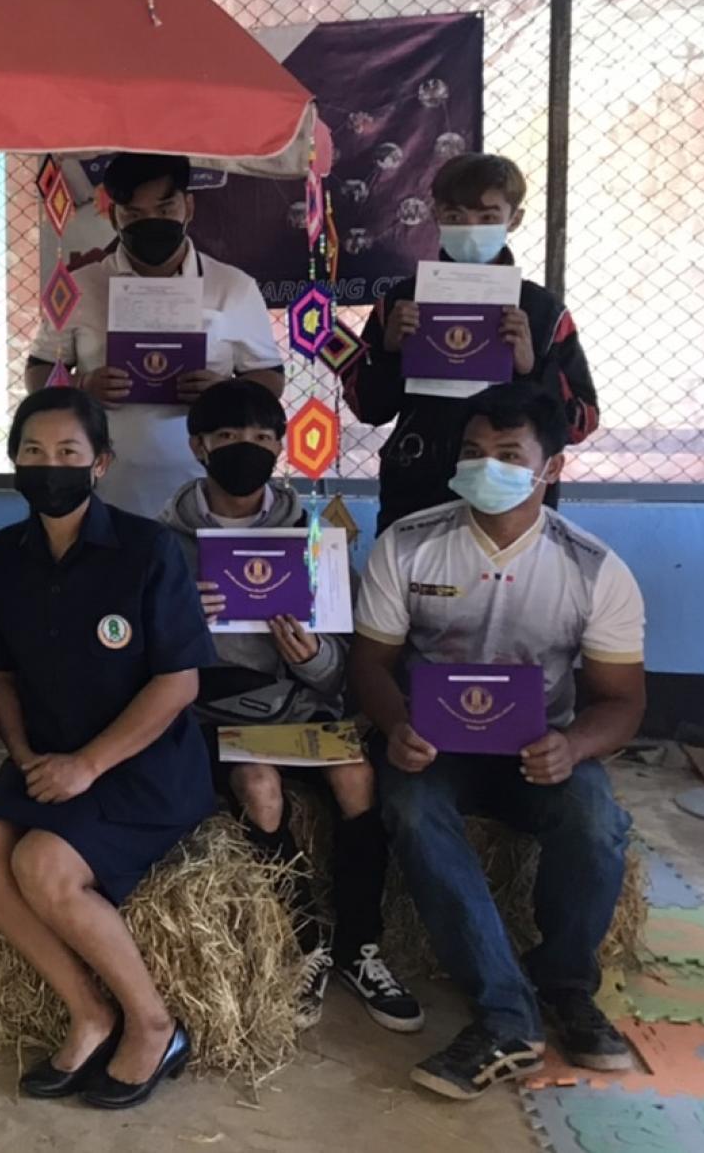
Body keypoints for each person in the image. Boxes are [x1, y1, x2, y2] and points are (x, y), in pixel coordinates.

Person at [349, 384, 645, 1101]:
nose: (488, 467)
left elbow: (624, 702)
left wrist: (573, 746)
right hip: (433, 750)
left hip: (539, 752)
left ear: (551, 468)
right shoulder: (408, 544)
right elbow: (369, 666)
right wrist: (396, 724)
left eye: (510, 455)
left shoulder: (593, 568)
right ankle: (506, 1014)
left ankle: (566, 985)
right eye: (474, 452)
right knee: (411, 809)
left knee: (596, 818)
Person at [0, 388, 212, 1110]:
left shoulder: (148, 550)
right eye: (33, 451)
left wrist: (88, 764)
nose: (50, 465)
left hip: (142, 768)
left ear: (100, 463)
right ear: (14, 462)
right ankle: (90, 1012)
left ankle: (155, 1025)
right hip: (48, 761)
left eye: (68, 452)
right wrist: (21, 753)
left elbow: (180, 681)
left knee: (42, 863)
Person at [161, 380, 420, 1033]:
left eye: (260, 437)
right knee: (260, 788)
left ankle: (361, 946)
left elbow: (341, 670)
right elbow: (143, 659)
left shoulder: (313, 537)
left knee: (357, 775)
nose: (244, 449)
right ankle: (306, 939)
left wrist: (309, 655)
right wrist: (182, 626)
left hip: (297, 706)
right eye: (226, 437)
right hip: (209, 714)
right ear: (198, 446)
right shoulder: (162, 544)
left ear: (280, 445)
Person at [344, 153, 598, 528]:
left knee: (507, 568)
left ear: (514, 219)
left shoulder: (543, 312)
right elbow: (368, 409)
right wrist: (391, 353)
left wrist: (532, 369)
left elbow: (580, 425)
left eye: (487, 218)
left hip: (512, 493)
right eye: (455, 216)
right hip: (417, 483)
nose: (470, 228)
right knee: (406, 566)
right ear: (436, 216)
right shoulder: (401, 301)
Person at [25, 154, 282, 516]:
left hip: (205, 489)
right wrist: (80, 386)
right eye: (133, 214)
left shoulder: (233, 287)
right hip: (104, 487)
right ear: (113, 216)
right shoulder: (77, 287)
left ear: (188, 206)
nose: (151, 222)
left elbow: (270, 378)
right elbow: (37, 371)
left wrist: (225, 393)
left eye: (164, 209)